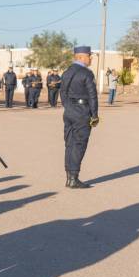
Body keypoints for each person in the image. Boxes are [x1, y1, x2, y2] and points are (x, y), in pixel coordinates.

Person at [59, 46, 98, 189]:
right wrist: (94, 115)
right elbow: (92, 96)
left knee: (69, 143)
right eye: (89, 56)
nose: (91, 58)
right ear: (81, 57)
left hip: (69, 111)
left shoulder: (67, 72)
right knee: (79, 144)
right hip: (82, 112)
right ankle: (74, 179)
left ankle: (69, 178)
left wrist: (69, 107)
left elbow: (62, 93)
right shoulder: (86, 74)